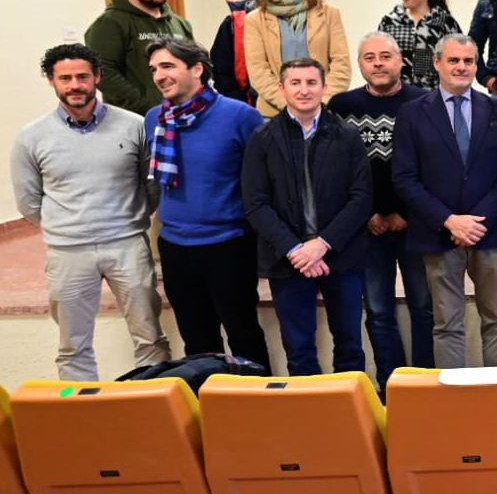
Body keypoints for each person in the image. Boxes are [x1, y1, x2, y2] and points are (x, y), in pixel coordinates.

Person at [12, 43, 171, 379]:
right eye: (65, 78)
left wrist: (131, 219)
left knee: (150, 338)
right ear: (51, 82)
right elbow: (29, 201)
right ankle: (81, 418)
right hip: (67, 252)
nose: (75, 85)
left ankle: (155, 414)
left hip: (126, 245)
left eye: (83, 76)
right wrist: (69, 225)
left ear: (97, 77)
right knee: (73, 346)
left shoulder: (134, 126)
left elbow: (151, 184)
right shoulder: (31, 138)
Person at [391, 34, 497, 369]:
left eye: (468, 61)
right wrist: (449, 220)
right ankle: (454, 399)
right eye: (453, 60)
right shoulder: (411, 114)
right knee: (446, 323)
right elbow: (405, 178)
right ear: (437, 63)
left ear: (476, 66)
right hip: (438, 234)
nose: (461, 67)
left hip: (488, 233)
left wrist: (476, 221)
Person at [242, 57, 373, 376]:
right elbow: (256, 203)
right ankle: (311, 420)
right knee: (299, 349)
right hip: (288, 260)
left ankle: (350, 419)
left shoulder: (347, 135)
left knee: (350, 345)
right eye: (296, 83)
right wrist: (297, 249)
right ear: (281, 88)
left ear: (325, 88)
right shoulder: (263, 138)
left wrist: (322, 244)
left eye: (312, 82)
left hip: (340, 256)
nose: (304, 90)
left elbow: (362, 197)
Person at [143, 37, 270, 365]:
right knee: (197, 341)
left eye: (168, 66)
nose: (159, 75)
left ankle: (258, 409)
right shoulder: (155, 118)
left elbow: (262, 181)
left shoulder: (240, 116)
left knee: (244, 334)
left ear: (197, 69)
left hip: (228, 245)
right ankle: (209, 409)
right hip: (175, 246)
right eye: (154, 69)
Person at [328, 32, 434, 388]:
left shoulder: (424, 103)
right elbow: (336, 170)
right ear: (360, 64)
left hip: (415, 224)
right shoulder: (341, 107)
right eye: (369, 57)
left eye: (385, 56)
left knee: (423, 307)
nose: (378, 63)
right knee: (378, 310)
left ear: (400, 60)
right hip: (366, 227)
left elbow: (435, 166)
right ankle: (393, 384)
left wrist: (407, 212)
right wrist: (367, 213)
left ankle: (423, 381)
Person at [243, 0, 352, 117]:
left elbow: (341, 65)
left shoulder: (330, 13)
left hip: (324, 111)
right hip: (274, 114)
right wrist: (292, 107)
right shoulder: (255, 19)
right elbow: (258, 71)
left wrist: (318, 103)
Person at [85, 0, 195, 114]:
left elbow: (194, 65)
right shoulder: (110, 23)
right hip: (138, 119)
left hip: (185, 113)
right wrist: (145, 104)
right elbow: (103, 71)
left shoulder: (180, 24)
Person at [379, 0, 463, 91]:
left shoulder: (444, 22)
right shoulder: (389, 22)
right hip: (395, 96)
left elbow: (458, 60)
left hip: (433, 97)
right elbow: (379, 58)